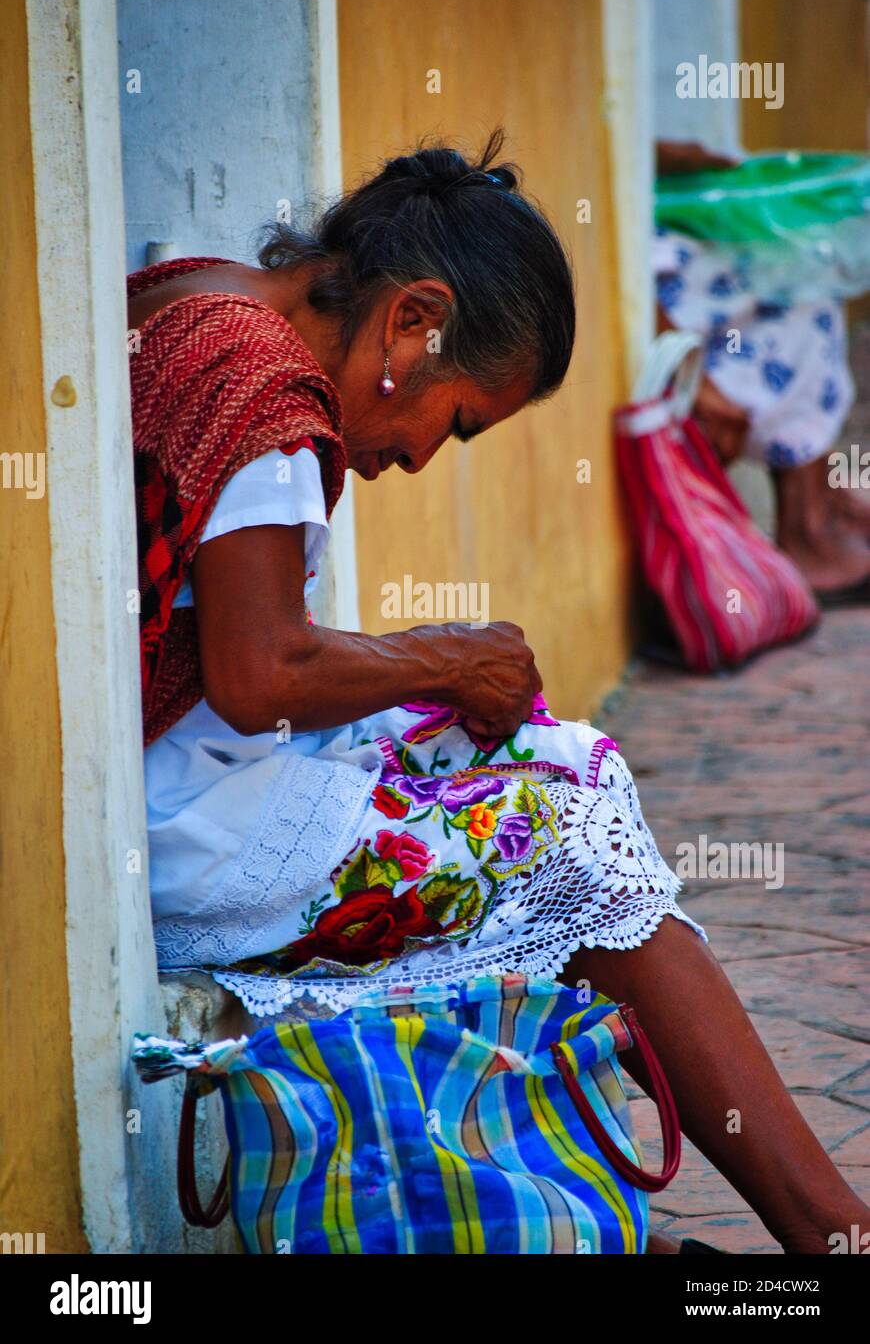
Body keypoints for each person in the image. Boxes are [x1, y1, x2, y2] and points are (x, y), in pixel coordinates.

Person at [130, 131, 868, 1253]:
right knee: (565, 836)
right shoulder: (268, 391)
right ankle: (825, 1231)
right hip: (186, 828)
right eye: (457, 419)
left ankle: (612, 1213)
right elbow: (257, 673)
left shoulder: (198, 295)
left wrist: (438, 668)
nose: (423, 458)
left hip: (180, 773)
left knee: (568, 767)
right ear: (412, 320)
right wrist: (440, 658)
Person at [655, 140, 870, 601]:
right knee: (800, 291)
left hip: (661, 229)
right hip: (645, 259)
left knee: (804, 279)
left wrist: (672, 157)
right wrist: (699, 380)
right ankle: (811, 525)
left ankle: (818, 507)